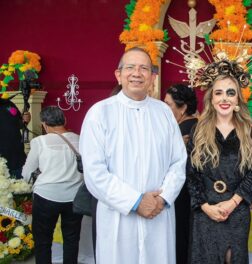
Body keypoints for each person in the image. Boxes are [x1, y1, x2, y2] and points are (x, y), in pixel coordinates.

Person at [79, 47, 187, 264]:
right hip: (118, 215)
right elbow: (94, 172)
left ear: (153, 77)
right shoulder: (100, 113)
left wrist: (162, 199)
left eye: (144, 68)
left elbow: (178, 162)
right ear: (118, 75)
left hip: (158, 213)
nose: (137, 73)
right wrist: (136, 201)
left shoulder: (164, 112)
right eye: (130, 67)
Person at [187, 65, 252, 263]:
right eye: (218, 93)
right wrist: (204, 206)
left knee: (232, 258)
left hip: (236, 210)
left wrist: (232, 203)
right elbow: (192, 174)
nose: (224, 98)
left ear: (238, 98)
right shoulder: (199, 130)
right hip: (206, 210)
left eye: (230, 93)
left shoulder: (250, 131)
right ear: (211, 98)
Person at [22, 106, 83, 264]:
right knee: (71, 239)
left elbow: (27, 172)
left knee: (43, 241)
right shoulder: (79, 139)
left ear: (44, 124)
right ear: (64, 120)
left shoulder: (39, 142)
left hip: (46, 197)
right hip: (74, 198)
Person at [163, 84, 198, 264]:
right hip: (188, 193)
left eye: (169, 104)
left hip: (180, 192)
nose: (165, 107)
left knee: (178, 237)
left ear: (183, 108)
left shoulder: (184, 130)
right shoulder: (196, 126)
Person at [0, 97, 30, 179]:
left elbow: (20, 123)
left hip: (16, 157)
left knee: (21, 188)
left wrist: (25, 120)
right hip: (1, 161)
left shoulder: (8, 104)